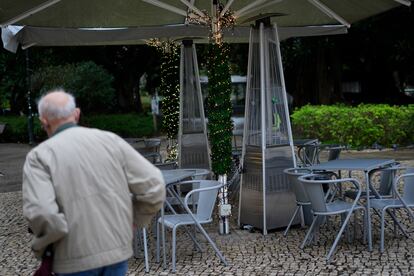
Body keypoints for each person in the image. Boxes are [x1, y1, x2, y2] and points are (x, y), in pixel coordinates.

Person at [22, 89, 166, 275]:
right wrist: (133, 221)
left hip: (72, 258)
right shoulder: (111, 141)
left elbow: (43, 213)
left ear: (43, 121)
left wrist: (44, 247)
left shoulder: (39, 157)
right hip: (116, 252)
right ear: (76, 114)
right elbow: (154, 186)